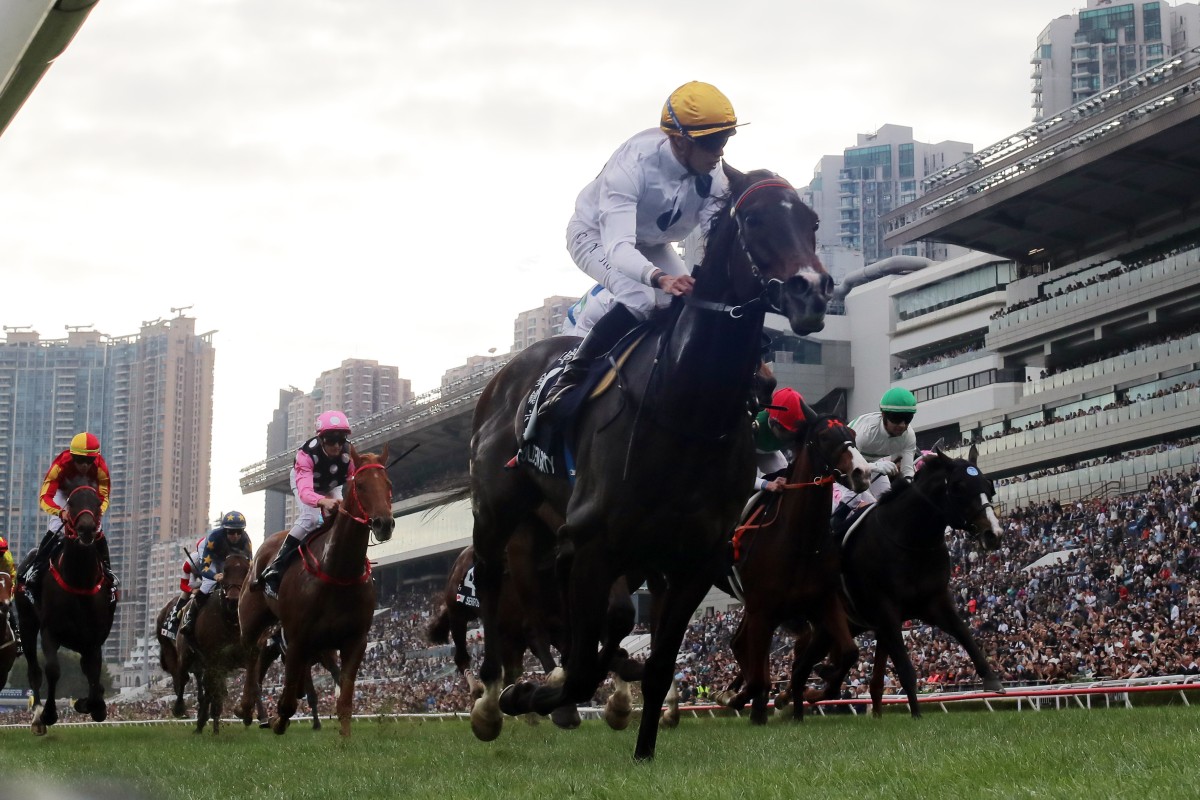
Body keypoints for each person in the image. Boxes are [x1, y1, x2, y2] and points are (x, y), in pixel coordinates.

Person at [540, 80, 743, 415]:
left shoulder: (714, 174)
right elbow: (619, 249)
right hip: (596, 238)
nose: (719, 151)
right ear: (679, 141)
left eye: (725, 139)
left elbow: (715, 241)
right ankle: (570, 379)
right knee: (642, 299)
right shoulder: (632, 165)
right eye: (711, 142)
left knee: (698, 304)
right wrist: (660, 278)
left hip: (653, 243)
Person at [261, 411, 356, 599]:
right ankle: (276, 568)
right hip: (305, 483)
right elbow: (305, 493)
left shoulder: (349, 453)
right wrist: (323, 501)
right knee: (311, 518)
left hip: (332, 484)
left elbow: (352, 480)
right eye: (331, 440)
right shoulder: (306, 455)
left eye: (341, 439)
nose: (337, 445)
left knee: (345, 519)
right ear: (321, 439)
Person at [21, 432, 115, 598]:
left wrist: (96, 514)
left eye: (89, 461)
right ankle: (36, 569)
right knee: (55, 527)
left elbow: (103, 496)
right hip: (64, 494)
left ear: (96, 459)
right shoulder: (60, 465)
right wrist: (60, 512)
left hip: (87, 497)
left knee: (96, 528)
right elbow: (45, 496)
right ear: (72, 456)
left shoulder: (101, 467)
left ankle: (107, 570)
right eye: (80, 460)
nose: (85, 465)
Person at [833, 387, 918, 523]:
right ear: (883, 415)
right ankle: (835, 528)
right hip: (845, 470)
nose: (902, 425)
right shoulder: (865, 433)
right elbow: (850, 466)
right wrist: (876, 466)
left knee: (889, 503)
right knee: (869, 506)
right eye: (896, 418)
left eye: (907, 419)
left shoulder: (909, 437)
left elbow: (908, 473)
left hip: (872, 466)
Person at [179, 510, 252, 639]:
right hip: (210, 552)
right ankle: (190, 617)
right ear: (225, 531)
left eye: (239, 532)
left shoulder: (246, 540)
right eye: (231, 532)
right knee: (209, 583)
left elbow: (249, 566)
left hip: (226, 555)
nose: (235, 536)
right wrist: (215, 576)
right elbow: (204, 568)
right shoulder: (214, 537)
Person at [752, 387, 806, 494]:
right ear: (773, 422)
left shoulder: (799, 428)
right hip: (744, 453)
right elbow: (742, 475)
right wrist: (766, 484)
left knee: (785, 476)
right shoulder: (752, 426)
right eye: (786, 432)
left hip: (768, 451)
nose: (790, 437)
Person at [1, 536, 20, 655]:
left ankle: (18, 637)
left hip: (3, 583)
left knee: (7, 608)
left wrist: (9, 595)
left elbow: (12, 577)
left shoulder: (7, 558)